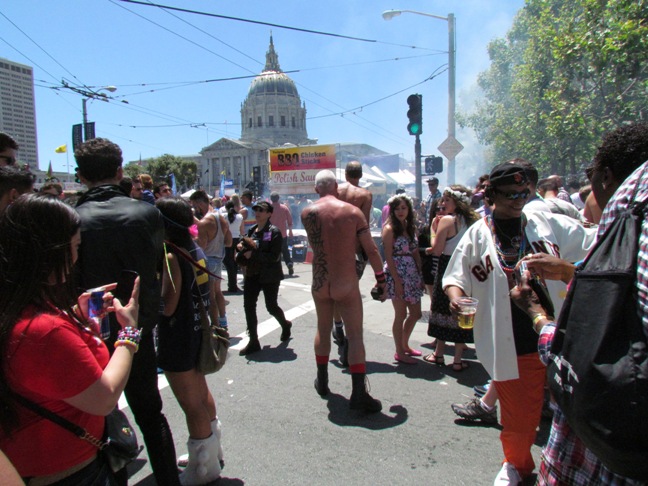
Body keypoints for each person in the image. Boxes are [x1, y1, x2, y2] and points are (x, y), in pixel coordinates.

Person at [442, 163, 597, 484]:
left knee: (578, 415)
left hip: (560, 336)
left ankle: (571, 471)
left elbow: (597, 241)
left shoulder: (546, 222)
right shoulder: (478, 234)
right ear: (492, 196)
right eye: (510, 194)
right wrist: (456, 299)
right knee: (519, 419)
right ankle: (517, 466)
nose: (519, 199)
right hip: (513, 341)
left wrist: (567, 267)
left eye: (524, 193)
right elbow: (455, 277)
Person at [0, 194, 140, 484]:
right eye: (75, 246)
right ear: (50, 251)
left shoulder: (17, 307)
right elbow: (105, 397)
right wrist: (129, 333)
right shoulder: (44, 331)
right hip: (72, 471)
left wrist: (78, 318)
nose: (77, 256)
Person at [74, 138, 181, 486]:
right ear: (120, 171)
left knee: (101, 417)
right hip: (135, 327)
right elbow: (156, 266)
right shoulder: (147, 213)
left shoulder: (72, 218)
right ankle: (168, 479)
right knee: (150, 413)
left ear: (80, 176)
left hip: (89, 328)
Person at [301, 170, 387, 412]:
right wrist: (381, 279)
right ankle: (358, 394)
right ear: (336, 188)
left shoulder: (307, 213)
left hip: (320, 282)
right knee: (355, 335)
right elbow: (371, 250)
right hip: (346, 282)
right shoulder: (353, 212)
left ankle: (322, 381)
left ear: (316, 189)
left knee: (323, 329)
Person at [156, 197, 222, 485]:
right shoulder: (196, 248)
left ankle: (202, 467)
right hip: (198, 331)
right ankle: (211, 448)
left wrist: (145, 304)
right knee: (201, 394)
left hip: (178, 335)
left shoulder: (172, 255)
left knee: (191, 404)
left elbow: (169, 305)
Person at [424, 185, 480, 370]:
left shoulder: (447, 220)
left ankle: (439, 354)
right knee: (460, 310)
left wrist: (434, 230)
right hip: (467, 267)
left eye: (447, 200)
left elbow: (437, 249)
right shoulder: (474, 220)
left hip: (448, 265)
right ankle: (456, 359)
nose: (443, 203)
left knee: (442, 309)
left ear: (457, 202)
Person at [235, 200, 292, 355]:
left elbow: (274, 257)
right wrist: (240, 248)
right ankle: (253, 341)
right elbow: (245, 244)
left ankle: (285, 324)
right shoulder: (252, 230)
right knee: (248, 306)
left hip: (269, 275)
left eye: (261, 210)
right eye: (256, 210)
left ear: (269, 214)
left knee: (271, 306)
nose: (257, 212)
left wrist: (253, 254)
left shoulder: (274, 232)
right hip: (252, 274)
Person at [333, 161, 374, 345]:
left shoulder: (336, 191)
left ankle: (338, 325)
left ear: (345, 174)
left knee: (335, 290)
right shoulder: (365, 195)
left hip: (334, 247)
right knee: (350, 290)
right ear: (361, 175)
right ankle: (350, 331)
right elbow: (363, 224)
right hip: (354, 249)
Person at [382, 193, 424, 364]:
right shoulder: (389, 229)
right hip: (397, 273)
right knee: (400, 314)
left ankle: (404, 345)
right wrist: (397, 281)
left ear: (409, 209)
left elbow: (415, 251)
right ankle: (399, 351)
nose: (400, 211)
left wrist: (420, 274)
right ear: (392, 210)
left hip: (412, 273)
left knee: (416, 313)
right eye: (397, 208)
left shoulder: (409, 226)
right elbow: (388, 256)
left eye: (403, 208)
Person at [190, 190, 232, 329]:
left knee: (210, 295)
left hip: (208, 260)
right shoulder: (221, 217)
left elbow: (202, 246)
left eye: (194, 205)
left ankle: (215, 325)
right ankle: (223, 321)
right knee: (218, 292)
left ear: (199, 203)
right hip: (219, 258)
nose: (194, 208)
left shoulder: (204, 222)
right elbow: (229, 242)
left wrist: (193, 238)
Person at [269, 191, 294, 276]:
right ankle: (289, 263)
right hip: (282, 233)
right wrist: (290, 231)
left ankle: (275, 268)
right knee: (284, 249)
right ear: (278, 198)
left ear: (271, 199)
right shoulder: (284, 208)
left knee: (271, 251)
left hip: (270, 234)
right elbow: (290, 220)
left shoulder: (268, 208)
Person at [223, 199, 244, 293]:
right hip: (237, 240)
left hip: (227, 240)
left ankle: (231, 284)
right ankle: (233, 284)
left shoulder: (223, 216)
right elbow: (242, 231)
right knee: (235, 263)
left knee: (228, 263)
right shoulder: (240, 217)